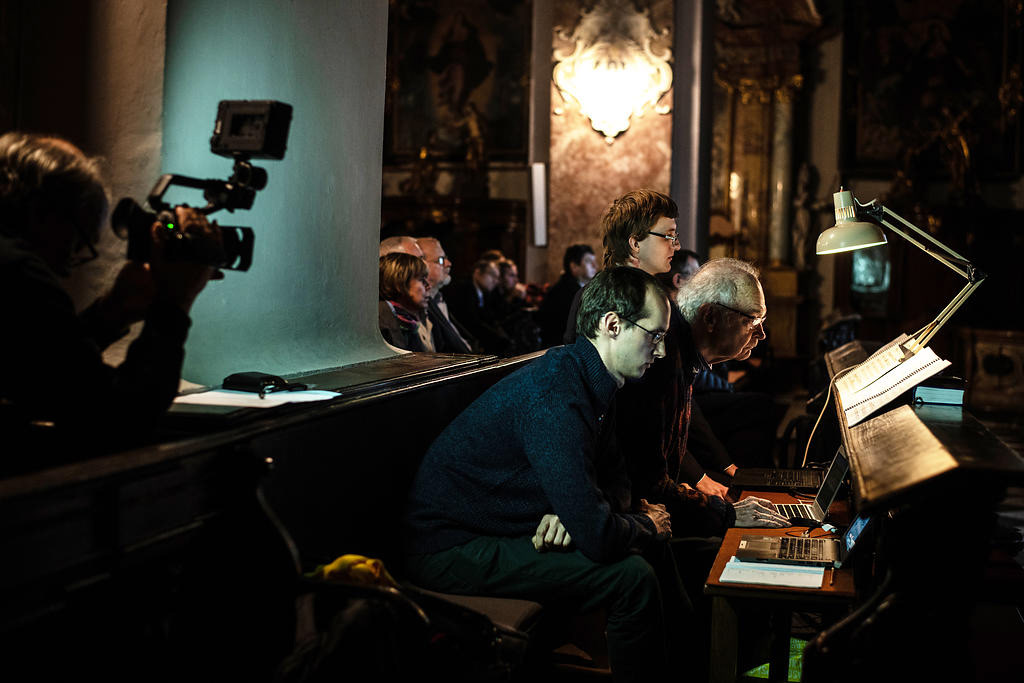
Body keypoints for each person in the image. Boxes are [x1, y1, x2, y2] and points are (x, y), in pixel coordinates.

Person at [404, 267, 687, 681]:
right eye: (655, 336)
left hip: (496, 526)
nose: (660, 352)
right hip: (448, 546)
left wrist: (576, 515)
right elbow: (599, 534)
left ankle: (689, 664)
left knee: (653, 548)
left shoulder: (596, 380)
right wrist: (637, 522)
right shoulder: (558, 391)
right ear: (612, 325)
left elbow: (619, 486)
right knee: (633, 577)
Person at [0, 132, 220, 469]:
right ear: (44, 212)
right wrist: (174, 304)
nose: (66, 268)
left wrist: (110, 313)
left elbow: (40, 367)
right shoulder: (20, 273)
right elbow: (120, 419)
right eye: (76, 243)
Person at [417, 236, 476, 354]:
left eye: (446, 258)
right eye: (441, 260)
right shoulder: (419, 304)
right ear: (421, 264)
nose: (448, 264)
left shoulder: (438, 297)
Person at [445, 257, 514, 356]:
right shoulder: (464, 289)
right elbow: (471, 322)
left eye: (497, 278)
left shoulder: (485, 293)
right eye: (492, 276)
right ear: (477, 272)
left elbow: (490, 318)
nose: (496, 281)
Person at [537, 243, 597, 347]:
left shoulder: (582, 288)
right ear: (574, 266)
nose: (595, 266)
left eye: (594, 261)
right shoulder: (563, 292)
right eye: (588, 261)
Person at [378, 252, 434, 352]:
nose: (428, 286)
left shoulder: (412, 320)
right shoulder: (383, 319)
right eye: (422, 280)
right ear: (399, 282)